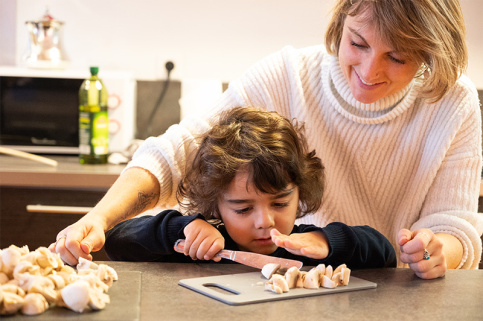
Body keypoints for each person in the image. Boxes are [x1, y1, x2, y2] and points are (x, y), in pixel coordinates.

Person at [52, 0, 482, 279]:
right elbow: (180, 150)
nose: (369, 72)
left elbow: (452, 227)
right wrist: (99, 220)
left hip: (385, 290)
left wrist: (432, 250)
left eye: (398, 57)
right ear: (343, 18)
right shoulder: (287, 74)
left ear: (430, 53)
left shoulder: (454, 103)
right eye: (358, 43)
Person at [103, 107, 396, 269]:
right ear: (215, 203)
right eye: (243, 208)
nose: (264, 222)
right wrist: (181, 230)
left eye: (280, 203)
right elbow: (117, 242)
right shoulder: (197, 247)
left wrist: (328, 241)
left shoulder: (307, 248)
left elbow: (384, 253)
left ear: (300, 191)